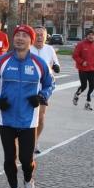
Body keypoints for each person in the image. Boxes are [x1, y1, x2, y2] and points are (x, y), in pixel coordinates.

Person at [0, 25, 54, 188]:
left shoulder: (39, 63)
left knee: (26, 160)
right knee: (9, 158)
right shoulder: (2, 61)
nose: (20, 38)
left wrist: (42, 97)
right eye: (17, 35)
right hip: (6, 118)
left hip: (28, 119)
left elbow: (49, 84)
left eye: (24, 36)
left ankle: (29, 181)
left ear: (31, 41)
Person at [29, 26, 61, 154]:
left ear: (46, 36)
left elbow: (55, 63)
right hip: (29, 87)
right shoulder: (28, 49)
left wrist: (57, 66)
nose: (39, 37)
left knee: (40, 117)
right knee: (29, 115)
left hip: (44, 88)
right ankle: (26, 140)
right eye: (37, 34)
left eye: (42, 35)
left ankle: (35, 141)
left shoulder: (49, 49)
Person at [72, 29, 94, 111]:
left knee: (92, 86)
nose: (91, 36)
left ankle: (88, 103)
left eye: (93, 35)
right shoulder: (81, 44)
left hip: (92, 69)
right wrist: (82, 62)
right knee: (84, 86)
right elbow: (75, 55)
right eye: (89, 35)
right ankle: (77, 95)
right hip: (82, 69)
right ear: (86, 36)